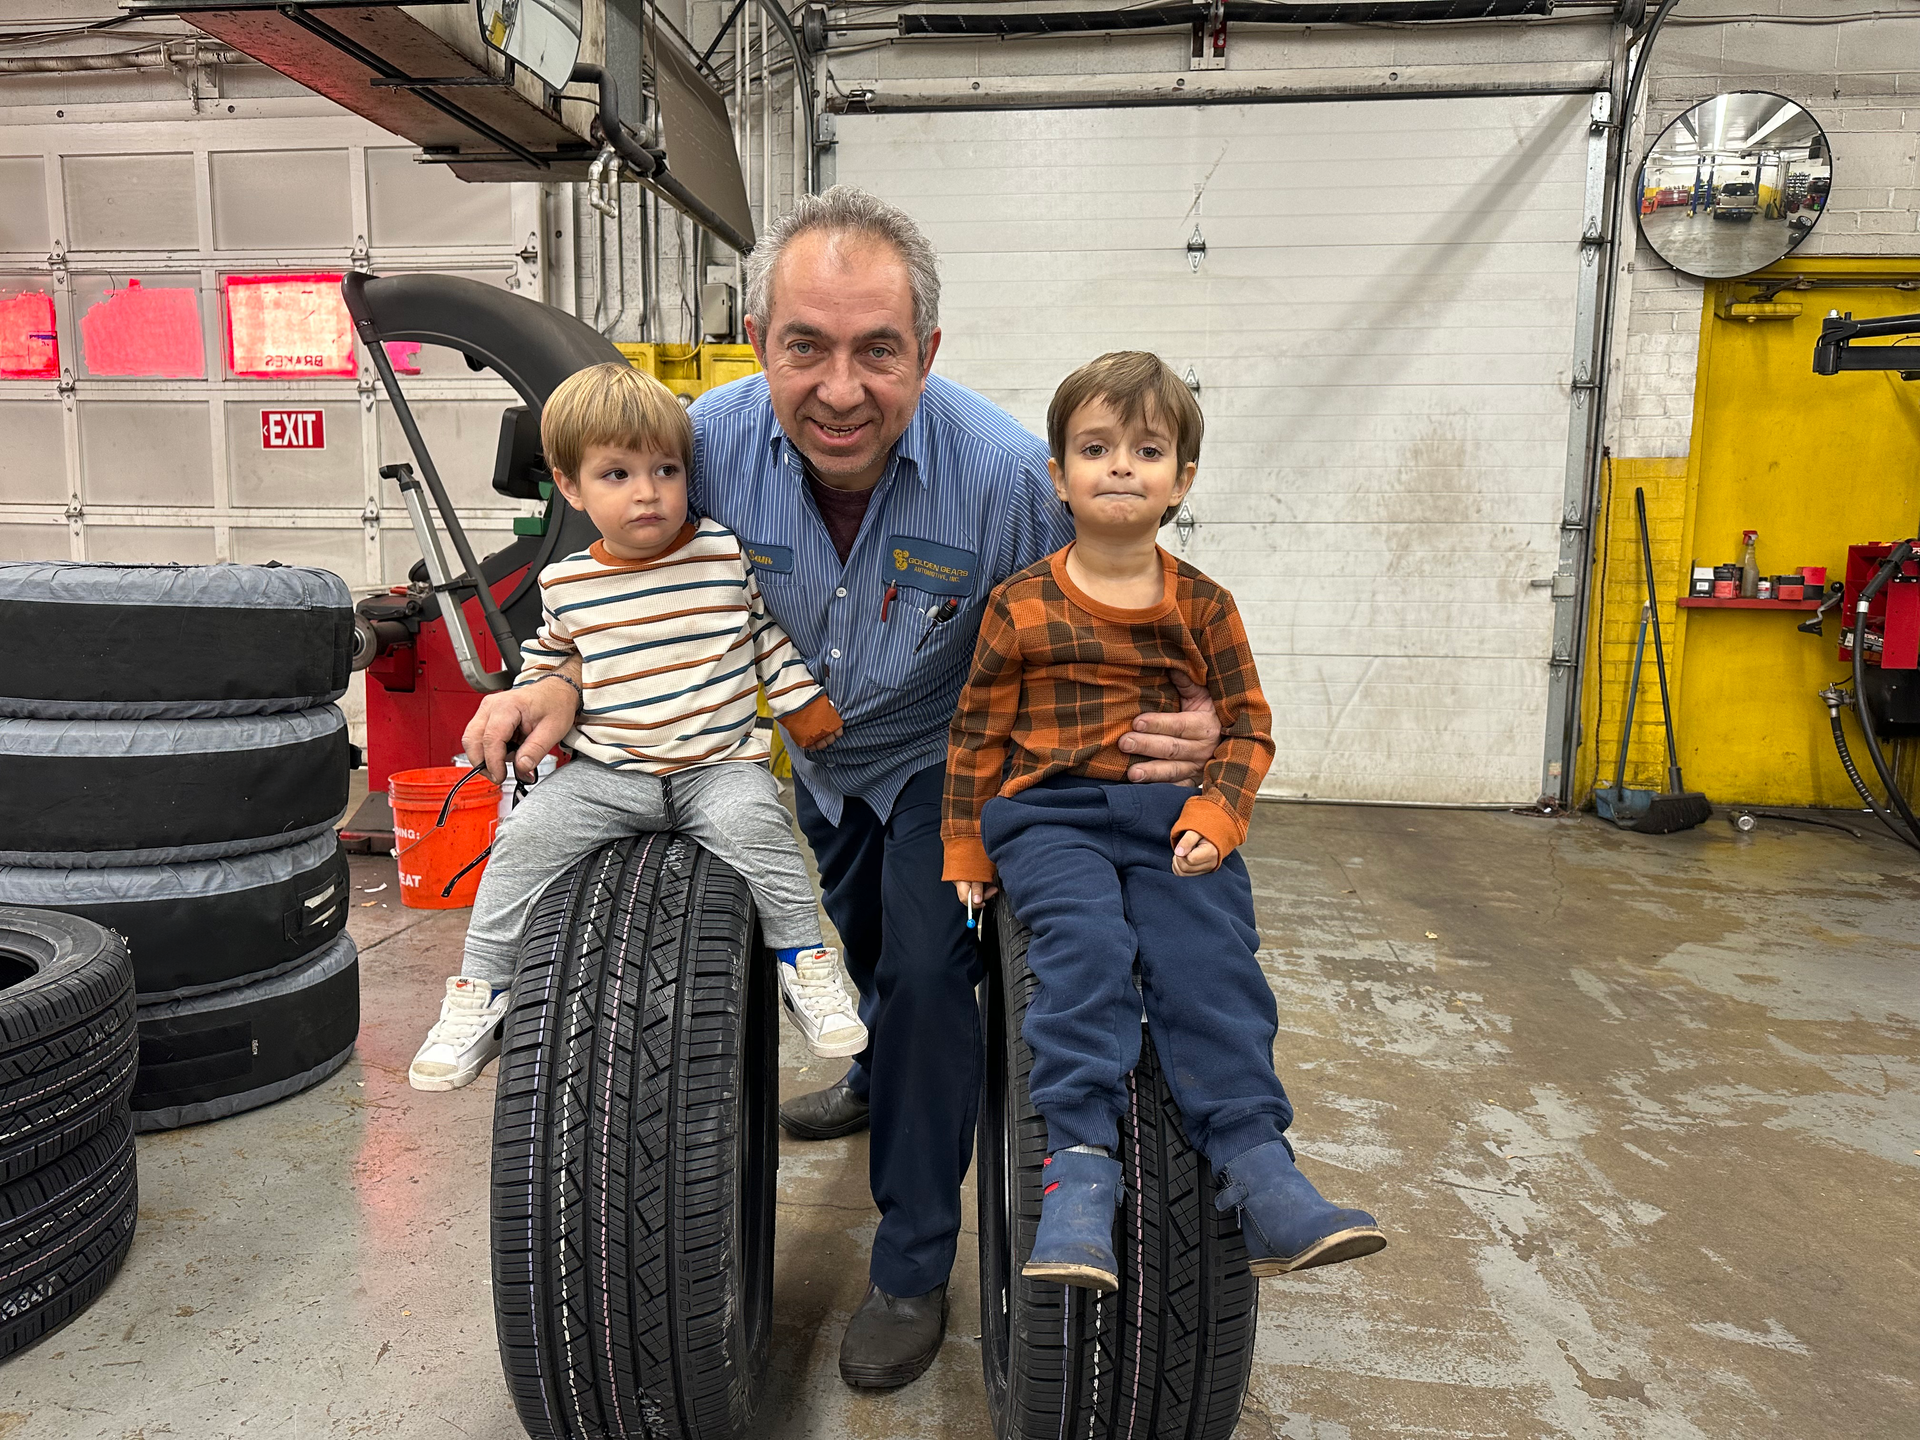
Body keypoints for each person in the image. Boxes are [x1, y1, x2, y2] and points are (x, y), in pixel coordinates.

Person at [461, 186, 1224, 1389]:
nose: (839, 386)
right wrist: (546, 689)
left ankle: (914, 1259)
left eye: (877, 349)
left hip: (946, 754)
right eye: (804, 345)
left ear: (926, 352)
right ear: (759, 342)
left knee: (927, 972)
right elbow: (602, 589)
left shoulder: (1013, 478)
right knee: (844, 938)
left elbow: (1131, 597)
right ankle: (867, 1073)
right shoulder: (696, 451)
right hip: (800, 756)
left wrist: (1201, 714)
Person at [944, 351, 1386, 1289]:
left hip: (1170, 817)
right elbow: (977, 733)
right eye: (1094, 447)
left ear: (1181, 479)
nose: (1119, 466)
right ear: (1057, 475)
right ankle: (1081, 1175)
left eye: (1146, 450)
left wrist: (1221, 816)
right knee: (1086, 955)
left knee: (1211, 963)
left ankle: (1261, 1171)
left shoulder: (1204, 606)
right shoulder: (1017, 605)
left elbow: (1249, 726)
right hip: (1050, 817)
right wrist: (967, 846)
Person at [408, 362, 866, 1093]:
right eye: (616, 474)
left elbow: (763, 634)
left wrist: (801, 703)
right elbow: (547, 667)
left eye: (665, 469)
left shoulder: (721, 553)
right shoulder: (565, 585)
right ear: (569, 486)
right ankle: (480, 993)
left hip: (716, 769)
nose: (647, 492)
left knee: (766, 833)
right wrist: (524, 710)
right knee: (520, 845)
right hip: (605, 777)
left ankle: (805, 964)